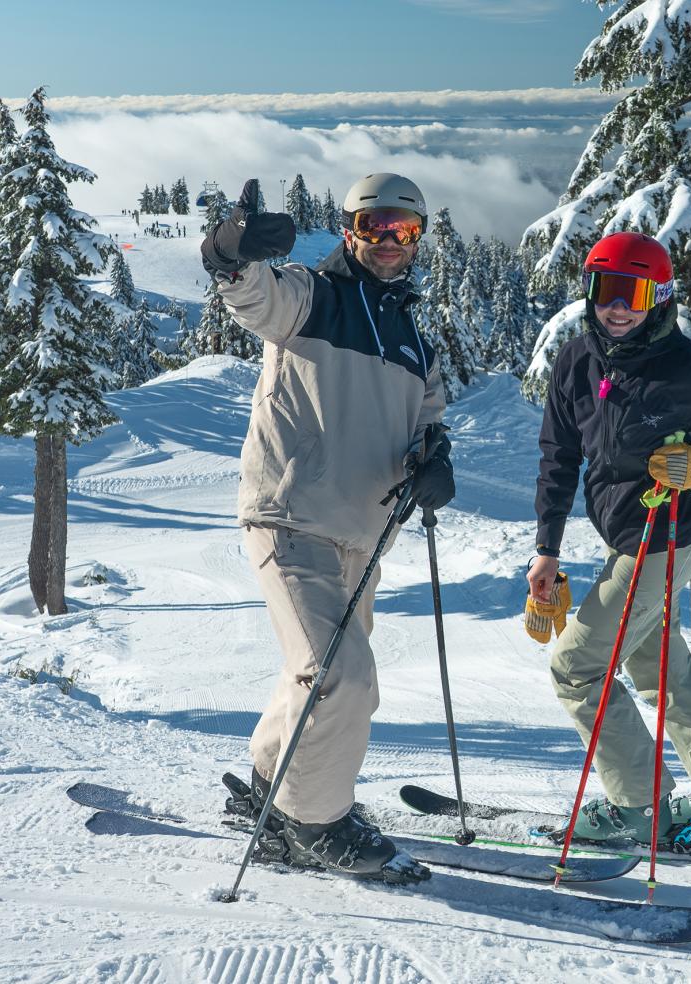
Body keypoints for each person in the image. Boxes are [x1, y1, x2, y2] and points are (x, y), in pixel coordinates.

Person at [201, 173, 455, 881]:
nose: (387, 242)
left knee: (319, 675)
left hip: (362, 537)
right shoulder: (313, 299)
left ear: (418, 240)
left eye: (403, 230)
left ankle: (269, 787)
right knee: (338, 676)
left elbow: (428, 422)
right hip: (291, 515)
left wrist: (435, 461)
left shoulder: (414, 342)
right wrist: (232, 247)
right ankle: (315, 822)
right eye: (373, 226)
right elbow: (250, 292)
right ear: (349, 230)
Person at [527, 232, 691, 844]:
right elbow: (558, 456)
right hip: (625, 536)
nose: (616, 307)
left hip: (665, 539)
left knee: (576, 667)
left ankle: (638, 809)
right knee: (657, 666)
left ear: (660, 296)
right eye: (604, 290)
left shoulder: (687, 369)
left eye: (633, 292)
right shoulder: (576, 362)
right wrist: (548, 546)